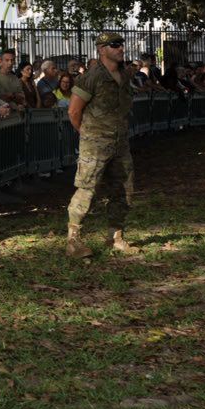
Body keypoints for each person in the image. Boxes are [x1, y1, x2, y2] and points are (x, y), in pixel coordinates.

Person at [66, 31, 136, 259]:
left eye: (121, 44)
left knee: (123, 190)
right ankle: (73, 241)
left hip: (120, 143)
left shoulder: (124, 76)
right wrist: (88, 134)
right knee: (87, 190)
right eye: (114, 45)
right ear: (101, 49)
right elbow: (74, 111)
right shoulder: (92, 76)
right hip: (95, 145)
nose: (120, 48)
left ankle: (115, 237)